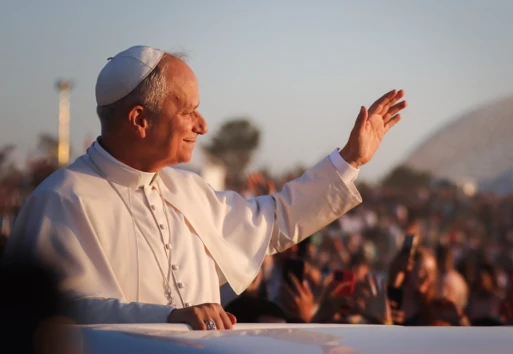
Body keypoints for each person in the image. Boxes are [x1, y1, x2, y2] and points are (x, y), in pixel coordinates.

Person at [3, 45, 407, 330]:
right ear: (140, 120)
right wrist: (167, 318)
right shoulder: (61, 199)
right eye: (188, 111)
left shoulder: (187, 191)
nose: (203, 125)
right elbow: (54, 316)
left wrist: (350, 160)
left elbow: (277, 217)